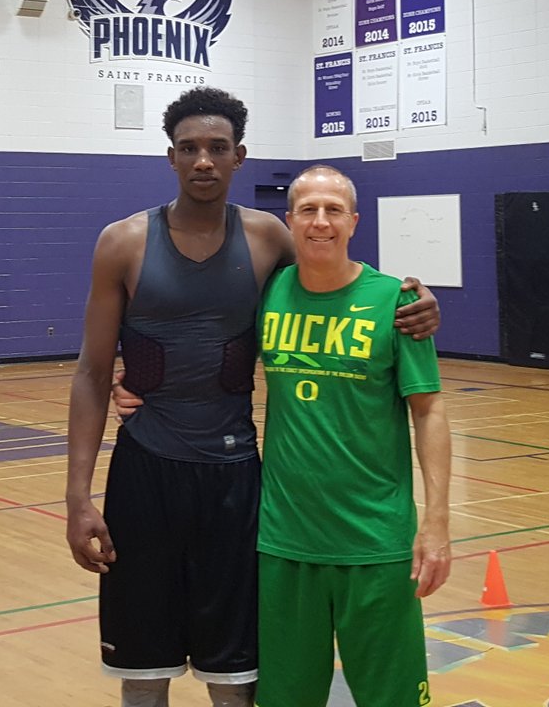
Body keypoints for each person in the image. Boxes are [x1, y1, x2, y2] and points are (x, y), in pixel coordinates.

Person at [65, 88, 439, 707]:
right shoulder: (123, 241)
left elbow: (336, 278)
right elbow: (90, 370)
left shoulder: (269, 238)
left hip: (236, 479)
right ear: (170, 157)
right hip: (144, 471)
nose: (203, 160)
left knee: (236, 671)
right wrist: (78, 496)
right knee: (142, 666)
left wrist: (414, 299)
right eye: (189, 148)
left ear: (239, 156)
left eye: (217, 148)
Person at [254, 164, 449, 707]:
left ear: (354, 222)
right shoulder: (265, 294)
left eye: (334, 210)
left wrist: (436, 522)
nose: (321, 222)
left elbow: (429, 411)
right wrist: (134, 385)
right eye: (308, 210)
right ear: (289, 221)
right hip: (284, 541)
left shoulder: (398, 302)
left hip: (377, 543)